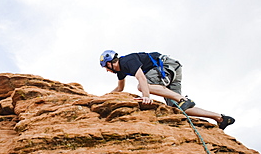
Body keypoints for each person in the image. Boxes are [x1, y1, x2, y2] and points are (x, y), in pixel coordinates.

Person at [100, 50, 235, 130]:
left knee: (142, 86)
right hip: (173, 69)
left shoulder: (127, 61)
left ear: (110, 62)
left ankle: (182, 99)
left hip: (165, 66)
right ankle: (220, 118)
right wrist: (103, 98)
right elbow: (120, 88)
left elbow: (141, 77)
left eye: (106, 67)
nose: (106, 70)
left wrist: (146, 96)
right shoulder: (121, 72)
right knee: (179, 108)